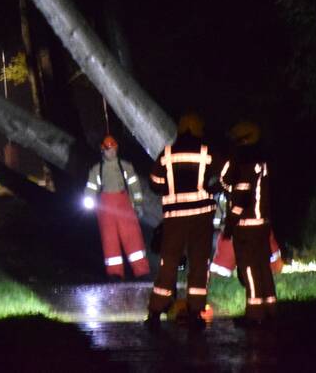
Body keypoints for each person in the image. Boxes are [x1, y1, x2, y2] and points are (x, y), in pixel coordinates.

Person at [145, 112, 219, 329]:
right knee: (198, 263)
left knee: (168, 263)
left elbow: (155, 183)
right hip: (201, 216)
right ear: (198, 131)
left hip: (175, 217)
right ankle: (196, 312)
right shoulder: (207, 152)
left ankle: (155, 312)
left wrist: (170, 188)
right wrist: (214, 188)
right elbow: (227, 173)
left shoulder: (167, 154)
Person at [220, 120, 277, 325]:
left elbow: (240, 198)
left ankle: (255, 315)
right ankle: (270, 309)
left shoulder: (243, 165)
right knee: (263, 267)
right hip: (262, 224)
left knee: (250, 270)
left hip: (246, 227)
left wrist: (229, 225)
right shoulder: (261, 163)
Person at [84, 135, 149, 280]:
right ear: (103, 151)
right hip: (106, 209)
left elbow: (134, 186)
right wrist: (88, 202)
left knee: (133, 238)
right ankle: (114, 273)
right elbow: (91, 188)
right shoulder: (96, 170)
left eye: (113, 149)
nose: (111, 152)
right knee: (109, 240)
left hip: (124, 205)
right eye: (108, 150)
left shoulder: (125, 166)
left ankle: (141, 271)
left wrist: (138, 204)